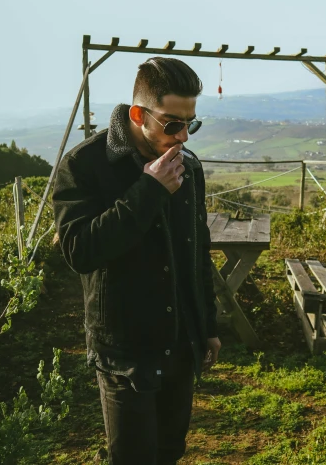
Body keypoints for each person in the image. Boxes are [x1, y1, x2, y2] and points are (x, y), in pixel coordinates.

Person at [52, 57, 221, 465]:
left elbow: (197, 250)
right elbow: (79, 251)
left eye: (190, 124)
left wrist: (207, 326)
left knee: (169, 451)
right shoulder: (83, 165)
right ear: (138, 114)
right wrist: (148, 189)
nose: (182, 136)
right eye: (172, 124)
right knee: (132, 457)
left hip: (180, 341)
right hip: (125, 350)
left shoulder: (189, 167)